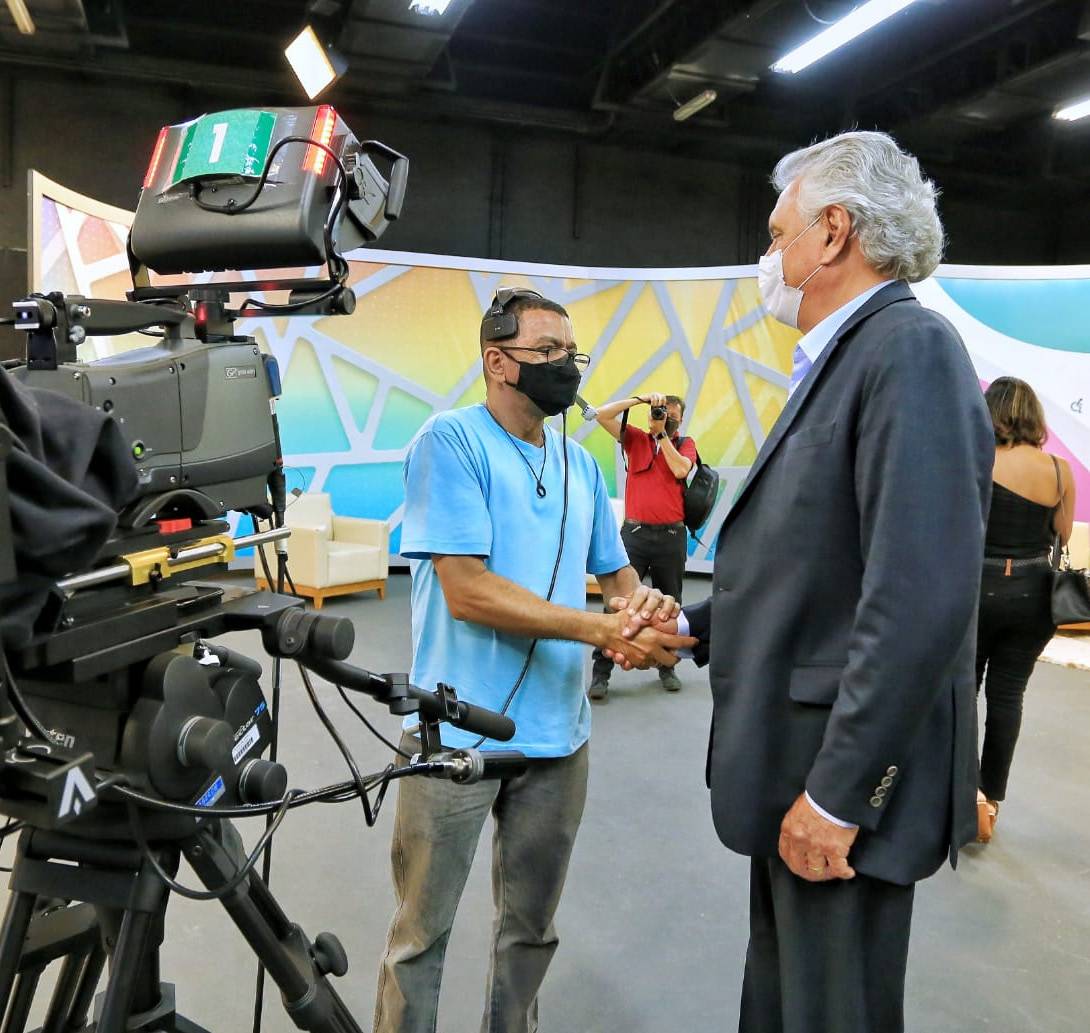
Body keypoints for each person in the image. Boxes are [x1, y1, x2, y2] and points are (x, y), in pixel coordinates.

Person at [607, 131, 994, 1033]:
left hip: (835, 791)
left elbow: (920, 600)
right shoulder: (851, 358)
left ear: (833, 233)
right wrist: (696, 627)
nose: (768, 257)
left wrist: (838, 796)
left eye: (778, 234)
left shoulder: (910, 352)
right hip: (799, 771)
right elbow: (820, 573)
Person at [372, 287, 694, 1033]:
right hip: (453, 737)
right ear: (496, 361)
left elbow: (616, 575)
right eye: (546, 353)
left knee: (530, 932)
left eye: (570, 353)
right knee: (420, 937)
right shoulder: (449, 443)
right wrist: (598, 631)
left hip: (559, 739)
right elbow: (468, 589)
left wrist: (643, 608)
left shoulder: (583, 466)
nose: (564, 367)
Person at [974, 377, 1074, 843]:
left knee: (960, 692)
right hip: (1033, 595)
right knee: (1007, 698)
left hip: (975, 589)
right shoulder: (1058, 469)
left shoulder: (975, 458)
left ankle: (963, 793)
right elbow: (1063, 534)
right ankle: (990, 800)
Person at [587, 391, 698, 701]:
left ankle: (667, 666)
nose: (666, 417)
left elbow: (680, 470)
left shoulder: (684, 444)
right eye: (661, 412)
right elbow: (601, 415)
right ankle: (601, 673)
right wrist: (638, 401)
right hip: (634, 535)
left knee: (669, 605)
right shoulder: (635, 440)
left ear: (680, 419)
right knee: (616, 603)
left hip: (671, 538)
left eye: (671, 415)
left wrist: (663, 434)